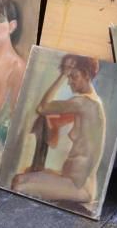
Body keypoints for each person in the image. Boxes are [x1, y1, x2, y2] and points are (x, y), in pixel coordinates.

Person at [10, 54, 104, 205]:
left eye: (73, 76)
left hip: (79, 186)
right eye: (68, 76)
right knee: (18, 179)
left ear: (86, 75)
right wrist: (66, 73)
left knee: (19, 186)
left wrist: (62, 75)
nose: (69, 82)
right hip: (69, 180)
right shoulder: (91, 102)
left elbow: (42, 108)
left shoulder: (85, 103)